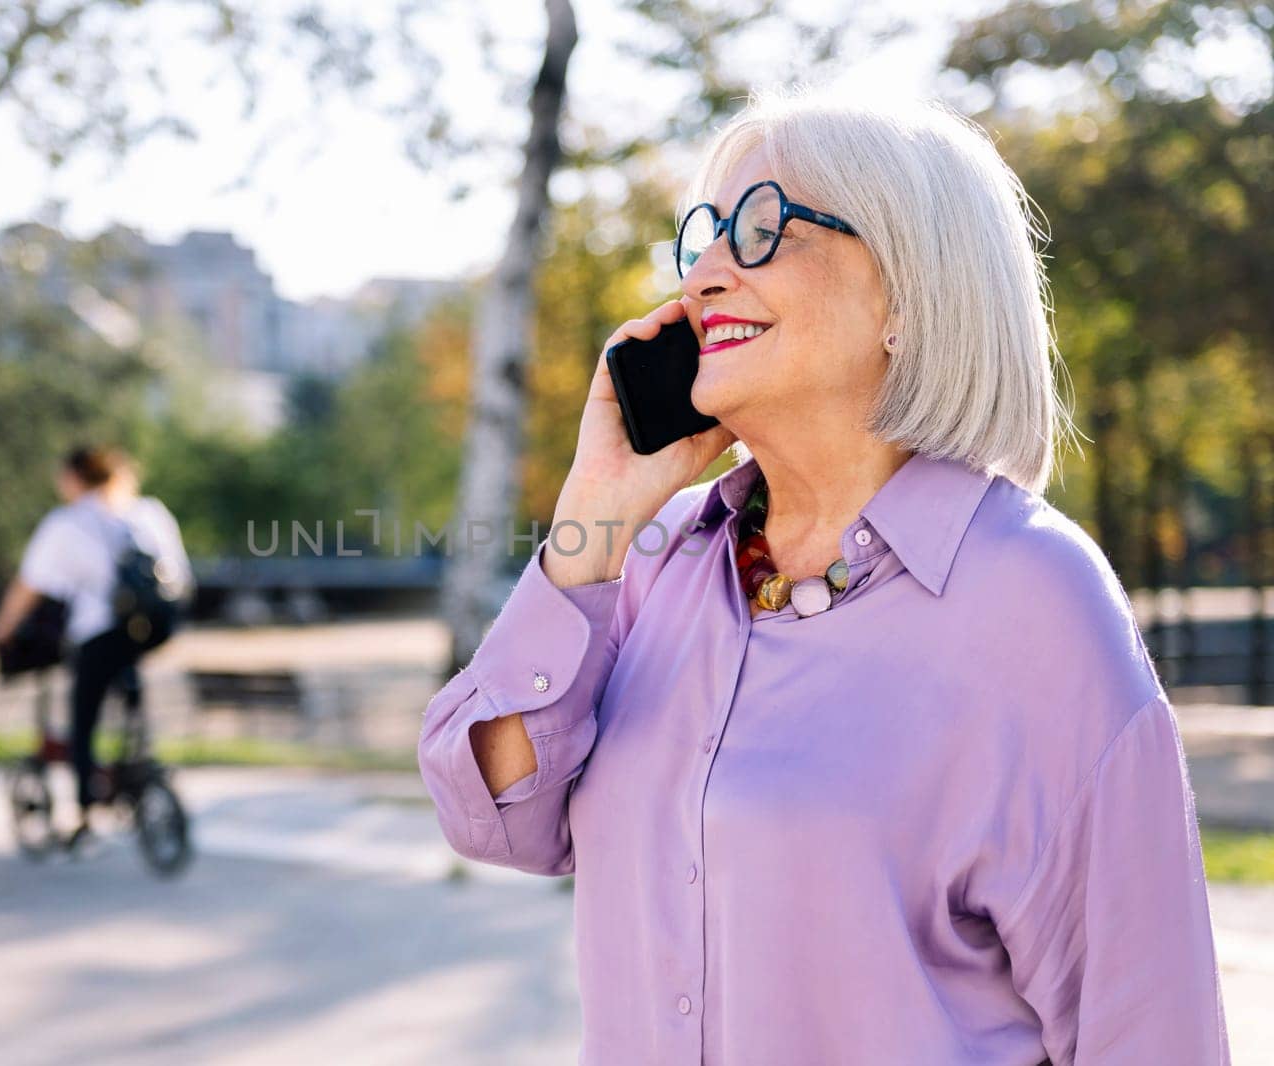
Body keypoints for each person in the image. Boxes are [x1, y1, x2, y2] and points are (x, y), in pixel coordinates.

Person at [418, 88, 1229, 1065]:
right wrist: (596, 501)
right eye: (706, 236)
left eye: (763, 230)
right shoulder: (653, 558)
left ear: (906, 293)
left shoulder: (1035, 598)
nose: (706, 275)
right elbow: (492, 812)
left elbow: (1147, 1031)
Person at [0, 445, 192, 848]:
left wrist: (2, 628)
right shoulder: (148, 511)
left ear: (75, 478)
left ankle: (86, 810)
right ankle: (137, 763)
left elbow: (29, 586)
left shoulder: (68, 523)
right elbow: (178, 573)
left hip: (101, 629)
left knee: (84, 718)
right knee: (126, 682)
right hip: (156, 624)